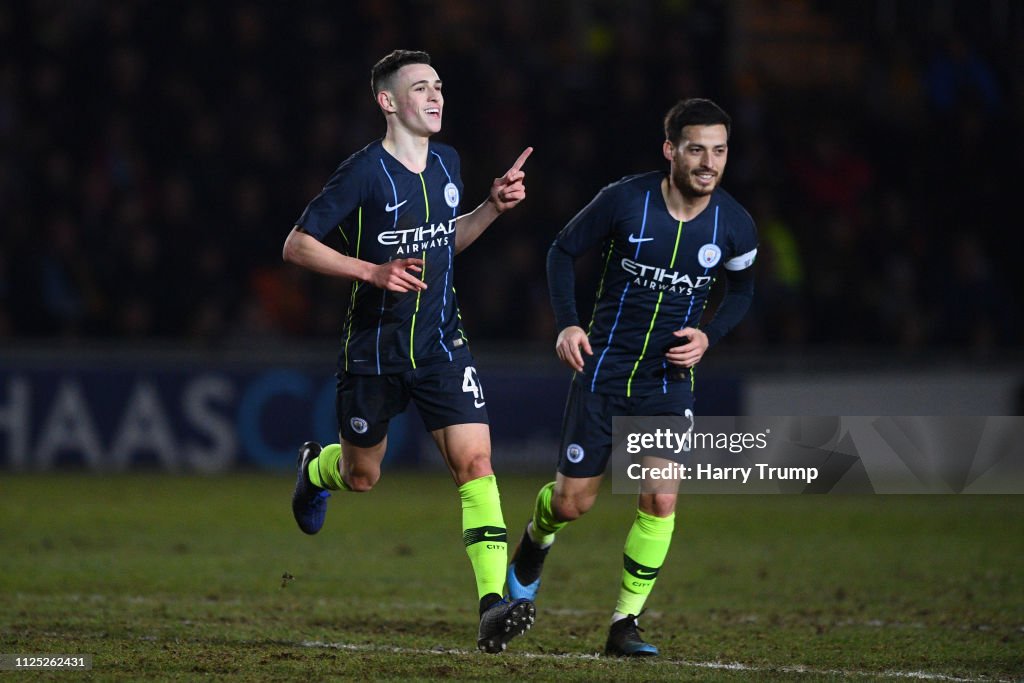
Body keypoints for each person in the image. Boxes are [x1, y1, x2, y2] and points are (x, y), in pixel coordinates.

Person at [283, 49, 535, 654]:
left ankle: (492, 605)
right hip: (375, 351)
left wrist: (491, 209)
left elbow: (448, 242)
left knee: (476, 464)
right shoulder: (363, 172)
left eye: (440, 86)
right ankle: (316, 471)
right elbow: (296, 246)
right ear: (388, 102)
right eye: (420, 87)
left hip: (444, 343)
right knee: (362, 475)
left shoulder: (448, 163)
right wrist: (370, 271)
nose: (436, 96)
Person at [506, 98, 757, 656]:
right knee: (572, 504)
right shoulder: (625, 200)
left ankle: (625, 624)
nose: (708, 162)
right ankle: (534, 542)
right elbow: (561, 251)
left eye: (719, 150)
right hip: (602, 371)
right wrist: (568, 324)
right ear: (671, 150)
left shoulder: (734, 224)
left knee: (661, 498)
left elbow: (742, 289)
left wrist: (709, 335)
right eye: (696, 149)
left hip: (666, 383)